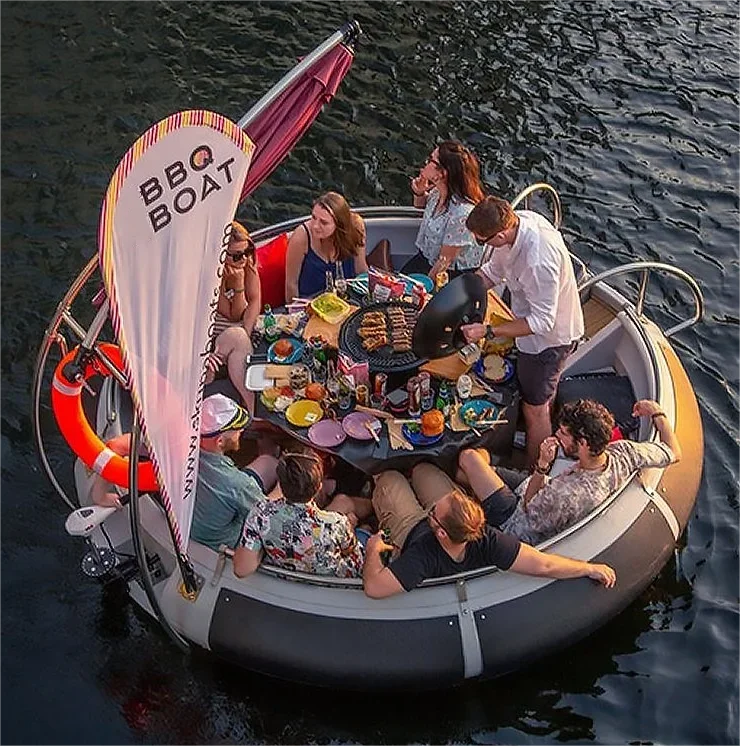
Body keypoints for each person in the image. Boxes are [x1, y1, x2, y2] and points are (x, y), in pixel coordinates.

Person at [362, 464, 616, 598]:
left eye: (434, 512)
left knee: (390, 478)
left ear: (440, 531)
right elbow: (544, 565)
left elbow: (374, 588)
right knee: (423, 471)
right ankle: (418, 477)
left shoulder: (421, 558)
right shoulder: (487, 538)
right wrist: (589, 567)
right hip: (446, 520)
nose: (432, 509)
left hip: (410, 530)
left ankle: (380, 482)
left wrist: (373, 551)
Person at [461, 195, 584, 466]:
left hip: (549, 342)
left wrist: (488, 331)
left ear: (502, 234)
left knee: (535, 408)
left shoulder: (538, 260)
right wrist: (458, 294)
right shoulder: (513, 229)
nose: (479, 245)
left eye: (481, 241)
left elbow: (543, 322)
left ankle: (533, 471)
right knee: (541, 396)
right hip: (528, 327)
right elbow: (493, 272)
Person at [456, 398, 682, 546]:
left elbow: (527, 504)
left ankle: (470, 509)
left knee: (468, 458)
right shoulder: (624, 452)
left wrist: (543, 465)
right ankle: (480, 487)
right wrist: (657, 413)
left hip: (517, 520)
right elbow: (673, 452)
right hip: (540, 492)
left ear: (582, 442)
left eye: (564, 433)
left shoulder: (568, 494)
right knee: (463, 474)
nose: (557, 434)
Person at [232, 450, 373, 579]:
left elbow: (242, 569)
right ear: (319, 487)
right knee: (365, 533)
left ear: (280, 484)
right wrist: (350, 527)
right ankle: (369, 520)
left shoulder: (261, 514)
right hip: (330, 581)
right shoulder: (336, 523)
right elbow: (357, 560)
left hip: (285, 575)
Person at [190, 394, 278, 552]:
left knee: (269, 462)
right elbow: (267, 515)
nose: (242, 430)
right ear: (220, 441)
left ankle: (269, 452)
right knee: (282, 491)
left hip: (195, 525)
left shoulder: (182, 450)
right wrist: (284, 487)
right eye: (237, 429)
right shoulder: (237, 484)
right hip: (227, 544)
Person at [402, 140, 486, 278]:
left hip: (450, 274)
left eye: (431, 160)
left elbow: (444, 262)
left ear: (442, 173)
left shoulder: (462, 214)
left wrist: (425, 288)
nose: (425, 164)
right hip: (425, 259)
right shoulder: (437, 192)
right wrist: (419, 192)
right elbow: (420, 206)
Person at [204, 221, 260, 408]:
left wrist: (248, 331)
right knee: (237, 337)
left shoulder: (247, 264)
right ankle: (253, 409)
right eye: (236, 256)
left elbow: (254, 301)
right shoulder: (211, 274)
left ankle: (252, 408)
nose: (243, 258)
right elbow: (232, 313)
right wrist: (237, 285)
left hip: (239, 328)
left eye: (247, 251)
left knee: (242, 337)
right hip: (216, 334)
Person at [284, 192, 368, 301]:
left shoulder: (356, 227)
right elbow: (291, 284)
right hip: (311, 304)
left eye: (323, 222)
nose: (315, 226)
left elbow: (360, 270)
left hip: (347, 299)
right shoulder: (301, 237)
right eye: (313, 217)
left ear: (339, 224)